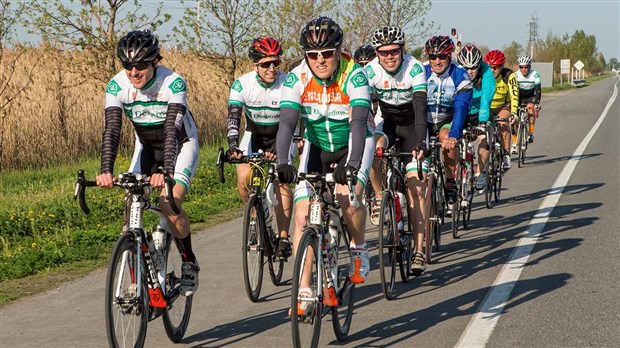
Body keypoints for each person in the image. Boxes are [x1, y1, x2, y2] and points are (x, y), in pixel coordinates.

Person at [97, 30, 199, 296]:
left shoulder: (173, 83)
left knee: (169, 204)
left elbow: (171, 132)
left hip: (180, 145)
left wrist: (166, 171)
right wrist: (106, 170)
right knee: (130, 211)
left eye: (141, 65)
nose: (134, 71)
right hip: (144, 148)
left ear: (155, 62)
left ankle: (189, 261)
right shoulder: (117, 85)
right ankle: (136, 283)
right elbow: (112, 131)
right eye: (128, 65)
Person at [276, 17, 374, 293]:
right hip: (317, 146)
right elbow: (286, 123)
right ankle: (304, 289)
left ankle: (359, 248)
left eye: (327, 53)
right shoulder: (298, 77)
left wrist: (352, 165)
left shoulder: (354, 75)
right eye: (312, 55)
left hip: (354, 144)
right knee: (301, 215)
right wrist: (284, 162)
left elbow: (357, 124)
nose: (320, 60)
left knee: (347, 196)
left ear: (338, 51)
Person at [364, 26, 429, 275]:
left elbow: (421, 109)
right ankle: (381, 196)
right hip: (389, 124)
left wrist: (421, 142)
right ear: (377, 53)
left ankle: (419, 251)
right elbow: (363, 106)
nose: (389, 56)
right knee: (372, 150)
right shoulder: (370, 71)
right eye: (383, 52)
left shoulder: (414, 68)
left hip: (413, 125)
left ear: (402, 50)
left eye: (394, 51)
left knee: (415, 189)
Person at [226, 36, 294, 260]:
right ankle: (256, 213)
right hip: (254, 135)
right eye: (266, 64)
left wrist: (277, 148)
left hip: (282, 136)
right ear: (255, 65)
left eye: (276, 62)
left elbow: (289, 122)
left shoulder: (288, 83)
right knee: (243, 178)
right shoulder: (242, 84)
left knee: (281, 180)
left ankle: (283, 238)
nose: (272, 68)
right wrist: (233, 146)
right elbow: (234, 118)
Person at [424, 35, 473, 211]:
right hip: (426, 120)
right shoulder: (421, 72)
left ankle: (450, 179)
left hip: (448, 119)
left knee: (446, 138)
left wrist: (454, 135)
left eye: (442, 57)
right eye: (433, 57)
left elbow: (462, 107)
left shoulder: (460, 74)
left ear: (450, 56)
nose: (437, 61)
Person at [456, 44, 496, 191]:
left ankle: (480, 172)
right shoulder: (455, 71)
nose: (470, 71)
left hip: (480, 110)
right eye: (466, 68)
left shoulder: (486, 72)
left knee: (484, 138)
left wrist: (484, 121)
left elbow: (486, 97)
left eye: (473, 67)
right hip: (462, 109)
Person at [484, 49, 519, 169]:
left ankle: (506, 154)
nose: (492, 70)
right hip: (488, 106)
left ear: (502, 66)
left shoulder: (509, 75)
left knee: (503, 121)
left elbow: (515, 96)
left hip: (503, 106)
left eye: (496, 67)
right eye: (490, 67)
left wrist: (514, 112)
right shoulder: (483, 75)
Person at [515, 55, 541, 144]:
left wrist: (537, 103)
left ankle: (531, 132)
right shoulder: (516, 75)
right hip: (519, 96)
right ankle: (514, 142)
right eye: (521, 67)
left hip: (531, 96)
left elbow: (538, 91)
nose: (524, 69)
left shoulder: (535, 75)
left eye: (526, 67)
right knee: (514, 117)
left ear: (530, 66)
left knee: (530, 109)